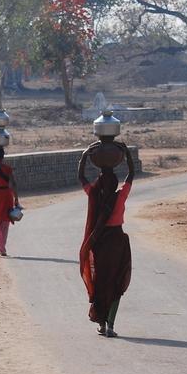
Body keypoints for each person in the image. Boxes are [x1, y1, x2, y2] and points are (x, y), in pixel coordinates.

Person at [78, 143, 135, 338]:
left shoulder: (94, 195)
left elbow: (81, 178)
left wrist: (84, 156)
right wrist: (127, 154)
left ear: (100, 182)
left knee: (101, 281)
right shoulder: (120, 197)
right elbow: (131, 176)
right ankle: (110, 324)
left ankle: (102, 324)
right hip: (118, 241)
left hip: (100, 242)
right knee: (116, 282)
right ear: (114, 182)